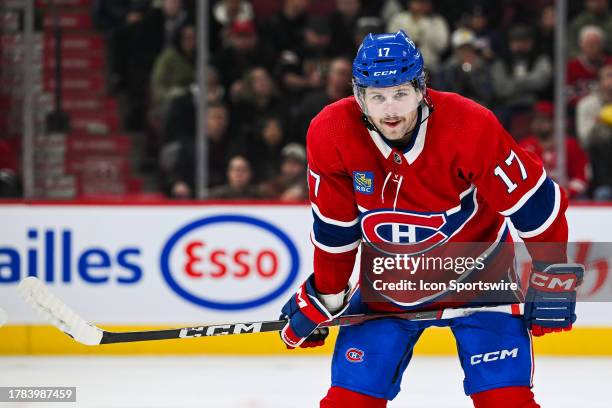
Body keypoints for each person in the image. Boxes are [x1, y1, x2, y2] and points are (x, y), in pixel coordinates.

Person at [278, 31, 582, 407]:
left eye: (401, 93)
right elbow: (336, 231)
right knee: (347, 402)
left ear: (422, 88)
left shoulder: (469, 126)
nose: (390, 110)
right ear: (359, 96)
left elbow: (537, 206)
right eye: (377, 96)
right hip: (388, 291)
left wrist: (552, 274)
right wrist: (326, 295)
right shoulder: (332, 132)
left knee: (508, 402)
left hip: (482, 286)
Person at [519, 102, 591, 199]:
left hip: (569, 198)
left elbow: (582, 177)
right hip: (536, 198)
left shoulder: (571, 145)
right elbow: (519, 177)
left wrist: (568, 191)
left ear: (554, 122)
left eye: (543, 120)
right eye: (535, 119)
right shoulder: (525, 145)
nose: (537, 124)